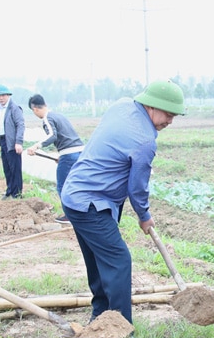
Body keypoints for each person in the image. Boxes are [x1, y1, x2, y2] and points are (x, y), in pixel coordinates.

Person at [61, 80, 185, 325]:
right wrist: (144, 215)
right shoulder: (145, 140)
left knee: (98, 259)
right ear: (151, 106)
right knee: (119, 261)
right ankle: (120, 330)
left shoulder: (122, 105)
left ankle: (100, 314)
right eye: (168, 115)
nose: (170, 122)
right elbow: (137, 188)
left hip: (74, 194)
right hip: (91, 204)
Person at [26, 93, 84, 222]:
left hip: (69, 155)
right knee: (77, 184)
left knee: (63, 186)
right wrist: (61, 156)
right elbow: (68, 136)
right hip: (80, 152)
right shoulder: (59, 115)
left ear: (35, 109)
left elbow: (53, 135)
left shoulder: (47, 118)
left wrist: (36, 146)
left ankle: (69, 216)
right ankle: (82, 213)